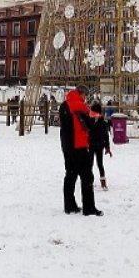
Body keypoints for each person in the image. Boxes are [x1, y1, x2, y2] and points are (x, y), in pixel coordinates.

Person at [59, 85, 101, 216]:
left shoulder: (64, 105)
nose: (85, 99)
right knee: (87, 176)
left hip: (67, 145)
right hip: (79, 145)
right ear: (82, 94)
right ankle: (89, 208)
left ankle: (69, 205)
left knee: (70, 174)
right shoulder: (80, 106)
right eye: (85, 96)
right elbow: (89, 124)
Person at [89, 102, 112, 191]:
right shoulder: (91, 121)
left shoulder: (102, 123)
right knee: (91, 164)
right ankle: (91, 181)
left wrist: (107, 147)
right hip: (93, 145)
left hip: (97, 145)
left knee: (99, 164)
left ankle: (102, 182)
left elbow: (106, 136)